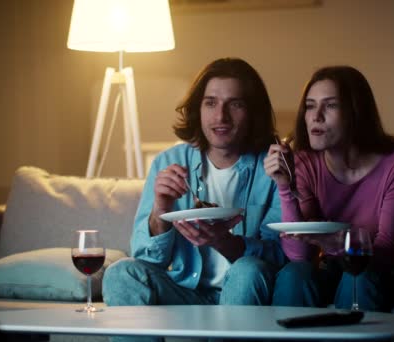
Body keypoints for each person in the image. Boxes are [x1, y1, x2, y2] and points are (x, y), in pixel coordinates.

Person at [102, 58, 286, 338]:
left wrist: (226, 242)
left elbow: (282, 256)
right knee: (121, 273)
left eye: (234, 104)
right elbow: (145, 257)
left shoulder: (272, 167)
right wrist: (161, 208)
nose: (220, 117)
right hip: (184, 293)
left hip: (244, 295)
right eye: (210, 103)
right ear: (198, 109)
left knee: (248, 269)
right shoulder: (170, 161)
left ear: (252, 112)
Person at [264, 65, 394, 311]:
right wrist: (285, 187)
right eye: (310, 105)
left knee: (358, 275)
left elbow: (387, 249)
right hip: (332, 270)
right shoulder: (304, 162)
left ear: (356, 112)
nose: (316, 116)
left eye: (331, 105)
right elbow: (299, 256)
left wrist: (335, 243)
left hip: (384, 274)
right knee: (295, 273)